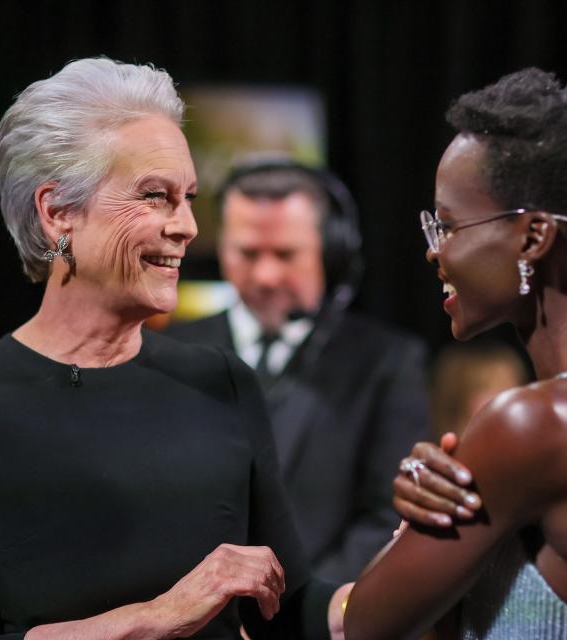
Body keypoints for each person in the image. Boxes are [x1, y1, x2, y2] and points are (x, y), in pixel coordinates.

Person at [0, 57, 360, 640]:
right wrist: (159, 618)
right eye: (155, 196)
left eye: (187, 197)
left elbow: (292, 612)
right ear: (58, 212)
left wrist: (434, 555)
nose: (187, 225)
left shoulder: (223, 382)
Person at [344, 68, 567, 639]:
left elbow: (367, 626)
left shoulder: (535, 423)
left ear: (533, 238)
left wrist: (413, 524)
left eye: (449, 225)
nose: (436, 253)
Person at [166, 159, 432, 582]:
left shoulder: (389, 361)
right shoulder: (170, 353)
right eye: (247, 253)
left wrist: (299, 611)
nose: (266, 275)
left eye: (286, 254)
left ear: (329, 251)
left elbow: (388, 513)